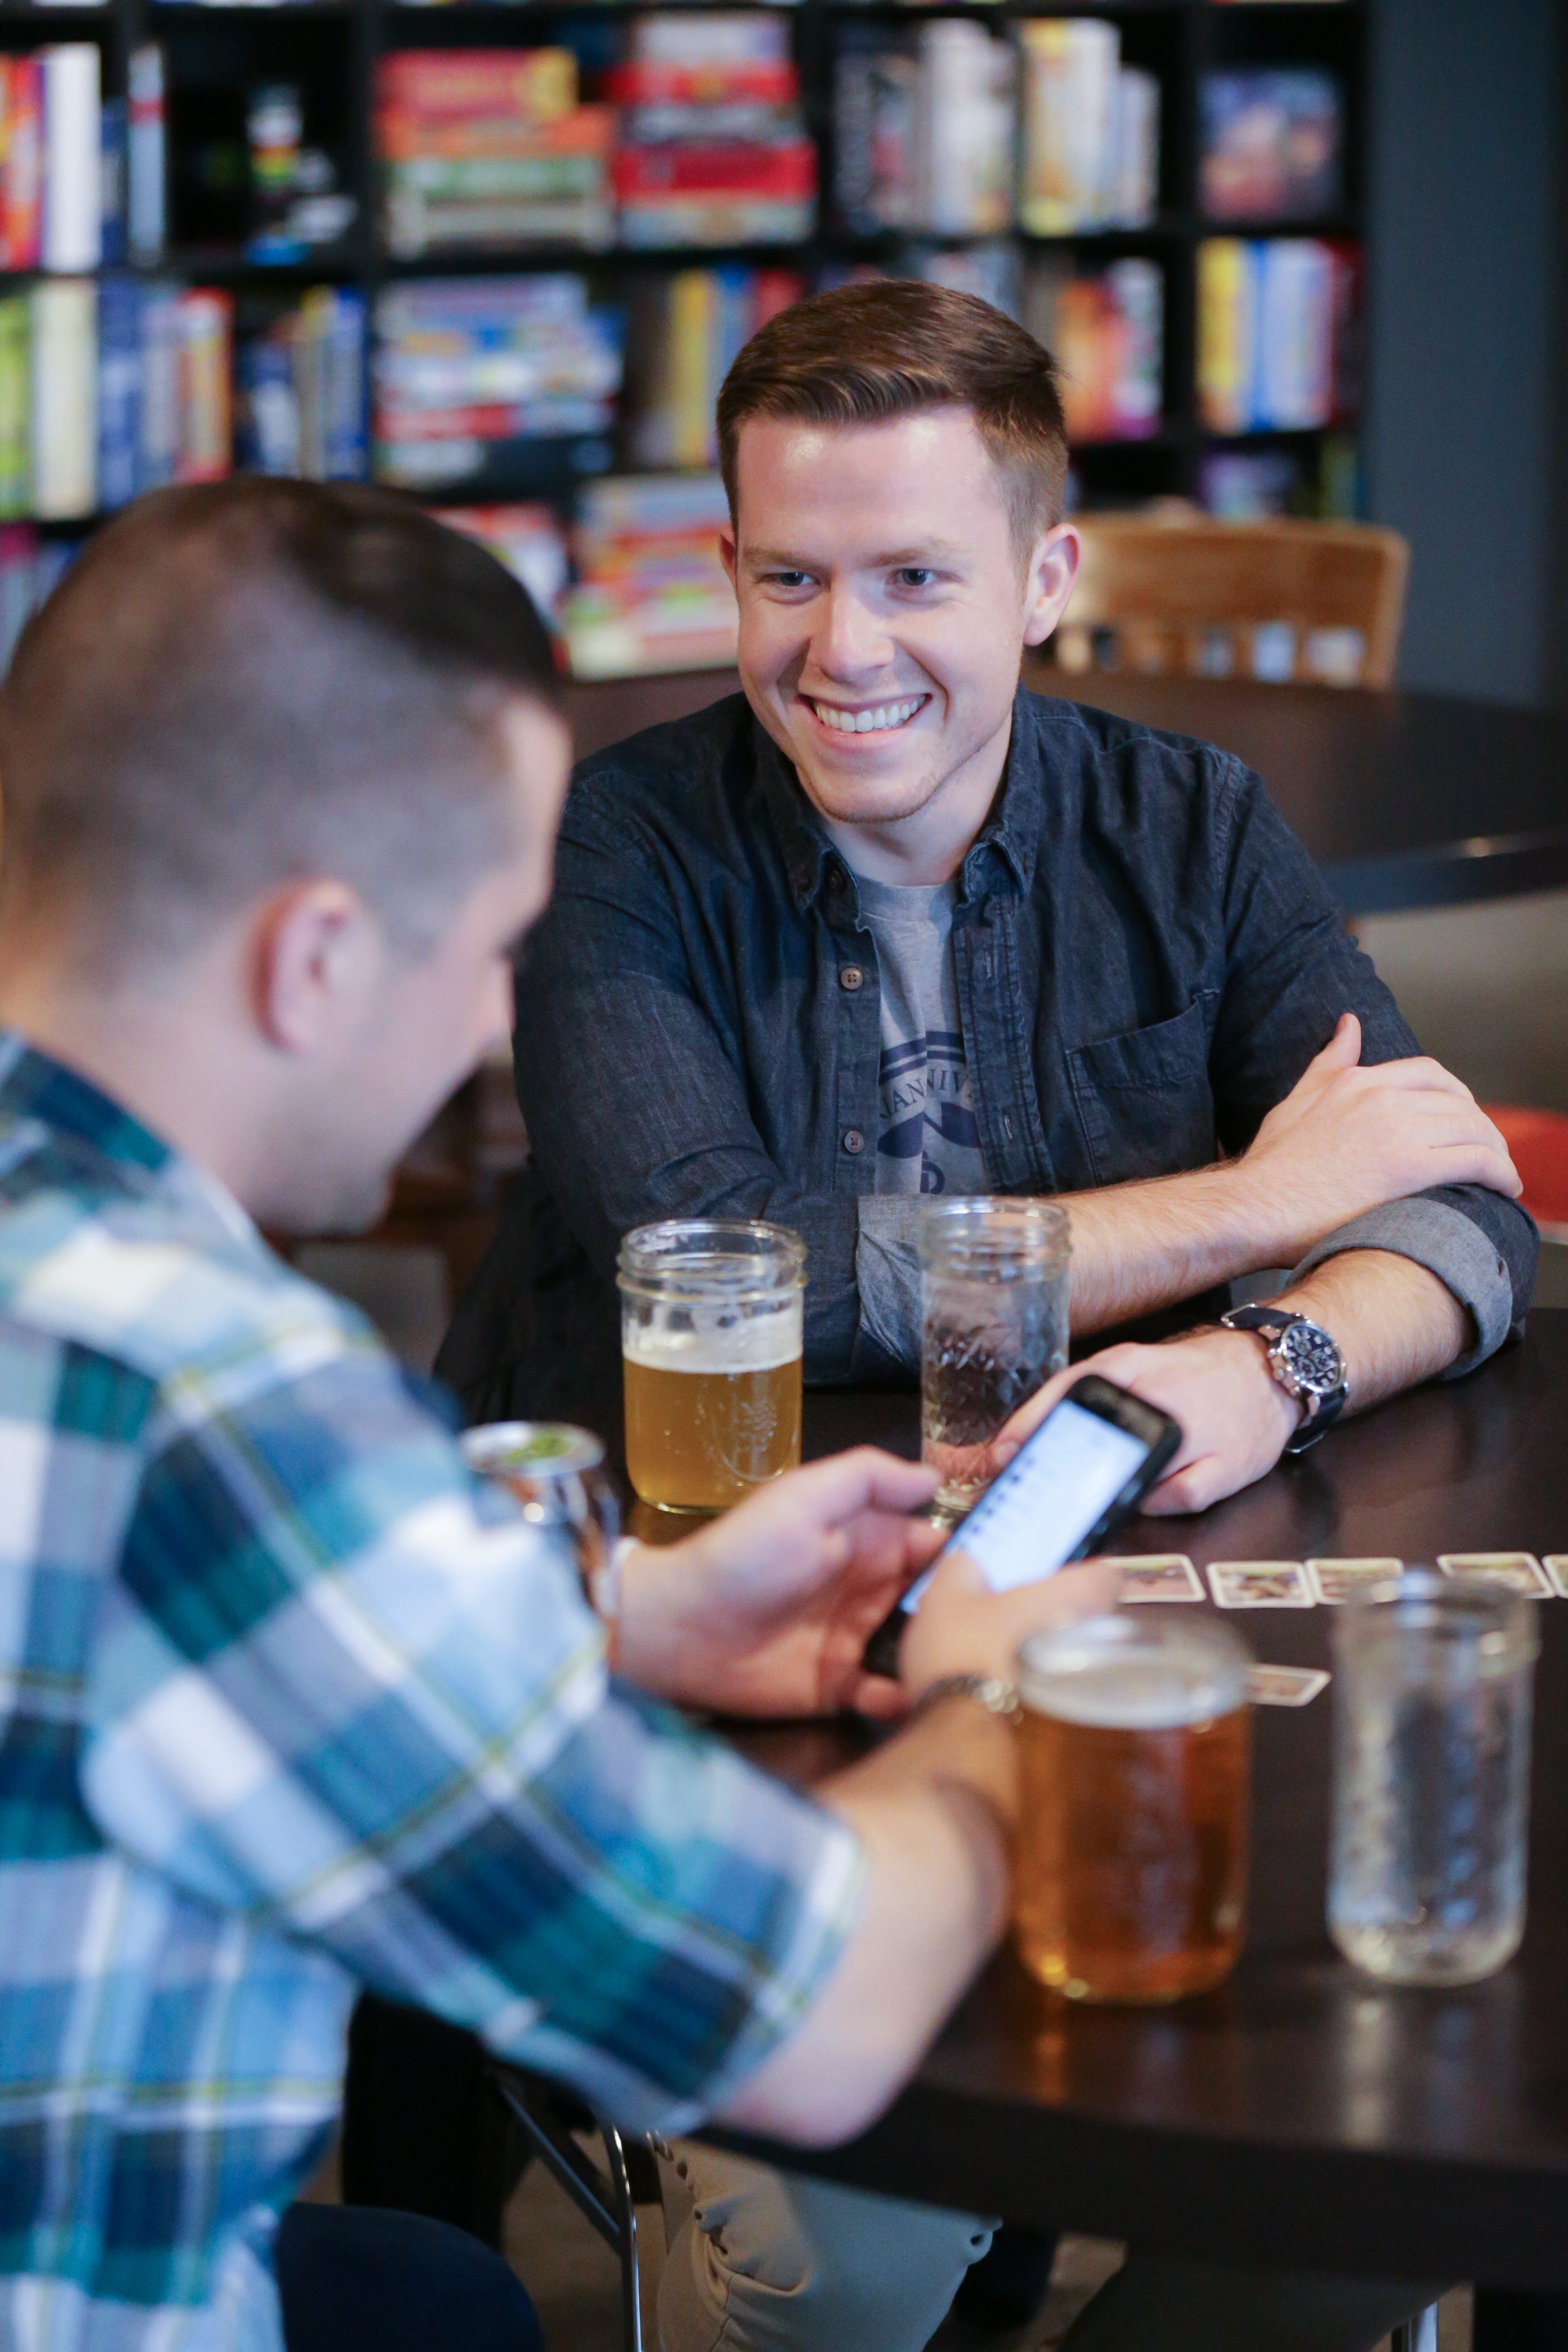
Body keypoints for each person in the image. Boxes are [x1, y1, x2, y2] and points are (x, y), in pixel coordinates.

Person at [432, 278, 1525, 2349]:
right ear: (730, 569)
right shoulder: (621, 841)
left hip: (1116, 1626)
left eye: (915, 578)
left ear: (1045, 580)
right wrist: (1258, 1204)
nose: (842, 651)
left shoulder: (1191, 825)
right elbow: (727, 1257)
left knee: (1391, 2137)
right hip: (714, 1632)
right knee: (842, 2259)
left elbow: (1456, 1206)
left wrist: (1273, 1357)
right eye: (789, 577)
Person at [0, 475, 1130, 2351]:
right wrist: (997, 1698)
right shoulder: (221, 1403)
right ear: (314, 959)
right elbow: (809, 2011)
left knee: (437, 2301)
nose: (485, 1037)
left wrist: (613, 1613)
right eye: (486, 954)